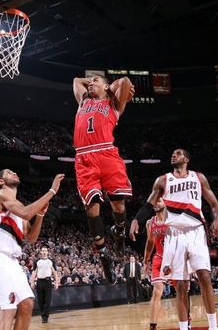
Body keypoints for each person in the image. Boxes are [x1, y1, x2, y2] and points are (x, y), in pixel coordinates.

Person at [130, 148, 218, 330]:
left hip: (195, 231)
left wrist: (217, 218)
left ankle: (213, 326)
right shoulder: (163, 180)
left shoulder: (198, 177)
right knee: (180, 285)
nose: (173, 155)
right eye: (172, 153)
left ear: (186, 158)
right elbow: (149, 204)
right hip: (174, 233)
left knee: (204, 276)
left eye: (177, 153)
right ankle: (183, 327)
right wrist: (136, 220)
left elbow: (214, 204)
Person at [0, 169, 64, 330]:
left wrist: (40, 215)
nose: (14, 173)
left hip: (12, 261)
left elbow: (32, 238)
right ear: (1, 181)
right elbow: (27, 213)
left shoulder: (19, 207)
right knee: (9, 308)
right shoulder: (1, 195)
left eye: (14, 172)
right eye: (8, 172)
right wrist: (52, 191)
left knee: (27, 303)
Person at [73, 74, 135, 285]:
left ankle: (119, 231)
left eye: (95, 81)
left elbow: (125, 81)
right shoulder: (83, 100)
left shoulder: (114, 104)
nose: (90, 83)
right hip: (84, 157)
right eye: (90, 82)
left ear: (107, 86)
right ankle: (103, 255)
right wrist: (94, 81)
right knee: (92, 208)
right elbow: (75, 80)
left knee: (118, 204)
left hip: (107, 153)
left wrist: (112, 86)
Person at [143, 198, 168, 330]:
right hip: (159, 257)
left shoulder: (174, 219)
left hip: (174, 258)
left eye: (159, 201)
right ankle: (153, 326)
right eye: (155, 202)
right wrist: (146, 260)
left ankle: (186, 321)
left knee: (182, 291)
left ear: (165, 202)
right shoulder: (150, 223)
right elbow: (150, 243)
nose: (156, 203)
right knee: (157, 291)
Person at [30, 245, 59, 323]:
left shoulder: (51, 261)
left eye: (45, 251)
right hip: (39, 282)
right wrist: (32, 282)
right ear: (40, 252)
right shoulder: (37, 261)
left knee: (47, 300)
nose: (44, 252)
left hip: (48, 282)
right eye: (42, 251)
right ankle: (43, 315)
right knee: (40, 300)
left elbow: (55, 272)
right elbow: (34, 272)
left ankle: (45, 317)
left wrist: (57, 282)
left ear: (47, 252)